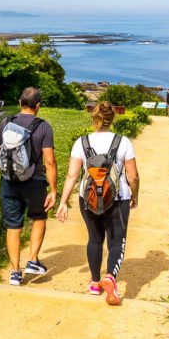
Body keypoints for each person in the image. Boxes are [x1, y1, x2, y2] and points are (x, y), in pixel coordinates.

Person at [56, 101, 140, 306]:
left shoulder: (81, 142)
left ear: (94, 118)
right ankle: (110, 278)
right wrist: (135, 195)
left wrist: (63, 201)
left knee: (94, 239)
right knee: (116, 241)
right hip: (118, 198)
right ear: (113, 118)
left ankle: (95, 283)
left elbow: (71, 175)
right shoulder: (123, 142)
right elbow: (133, 176)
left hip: (88, 198)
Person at [0, 87, 57, 286]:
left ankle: (14, 271)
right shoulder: (44, 127)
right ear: (38, 106)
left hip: (8, 182)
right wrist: (53, 190)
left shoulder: (6, 123)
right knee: (39, 217)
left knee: (13, 226)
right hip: (35, 182)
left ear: (20, 102)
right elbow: (50, 162)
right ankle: (32, 260)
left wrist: (7, 173)